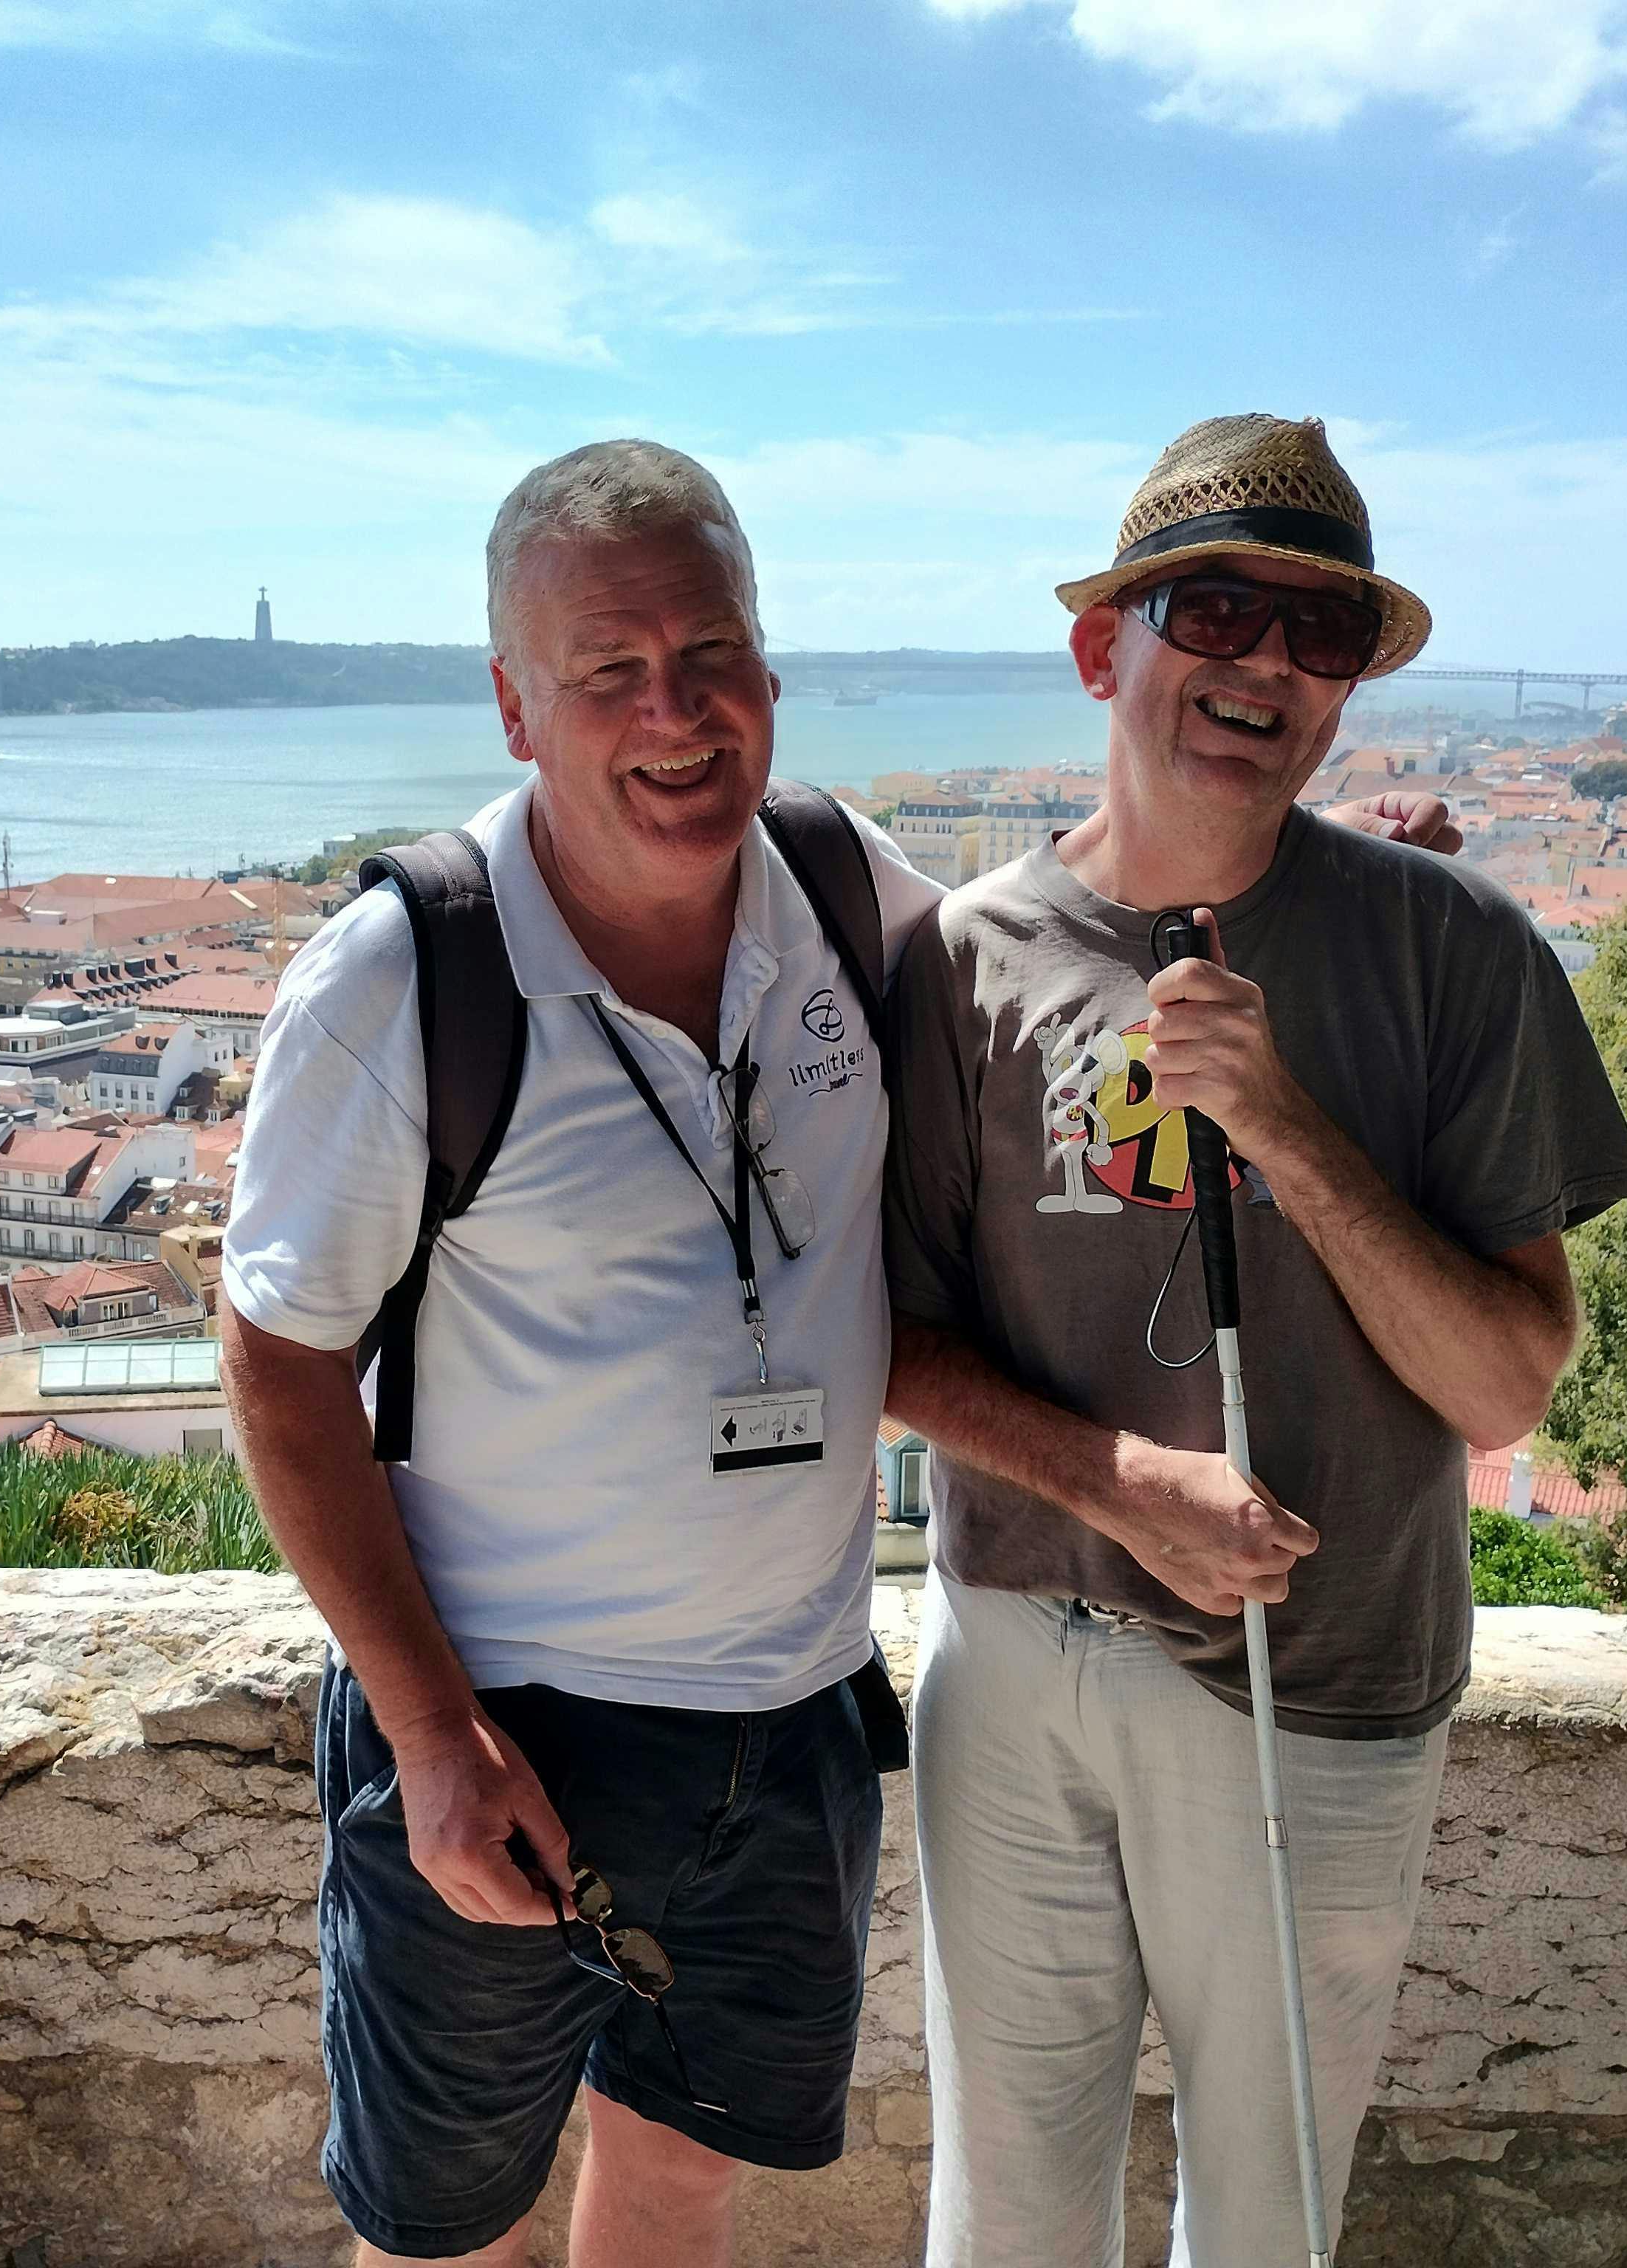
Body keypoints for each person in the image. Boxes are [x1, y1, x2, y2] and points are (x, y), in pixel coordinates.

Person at [883, 413, 1627, 2267]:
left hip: (1313, 1678)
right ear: (1104, 651)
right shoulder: (969, 960)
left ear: (1349, 689)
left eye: (1322, 631)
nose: (1268, 663)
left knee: (1266, 2226)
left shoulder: (1454, 952)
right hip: (1015, 1654)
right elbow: (888, 1338)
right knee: (1005, 2221)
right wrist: (1117, 1484)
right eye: (1215, 611)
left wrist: (1285, 1123)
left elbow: (1504, 1382)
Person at [218, 438, 946, 2268]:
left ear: (768, 666)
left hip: (796, 1713)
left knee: (686, 2175)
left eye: (710, 654)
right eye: (609, 670)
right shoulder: (402, 978)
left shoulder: (842, 889)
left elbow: (1062, 994)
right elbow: (278, 1366)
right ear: (514, 706)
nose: (674, 712)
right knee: (447, 2230)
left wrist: (1305, 896)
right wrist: (429, 1731)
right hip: (513, 1725)